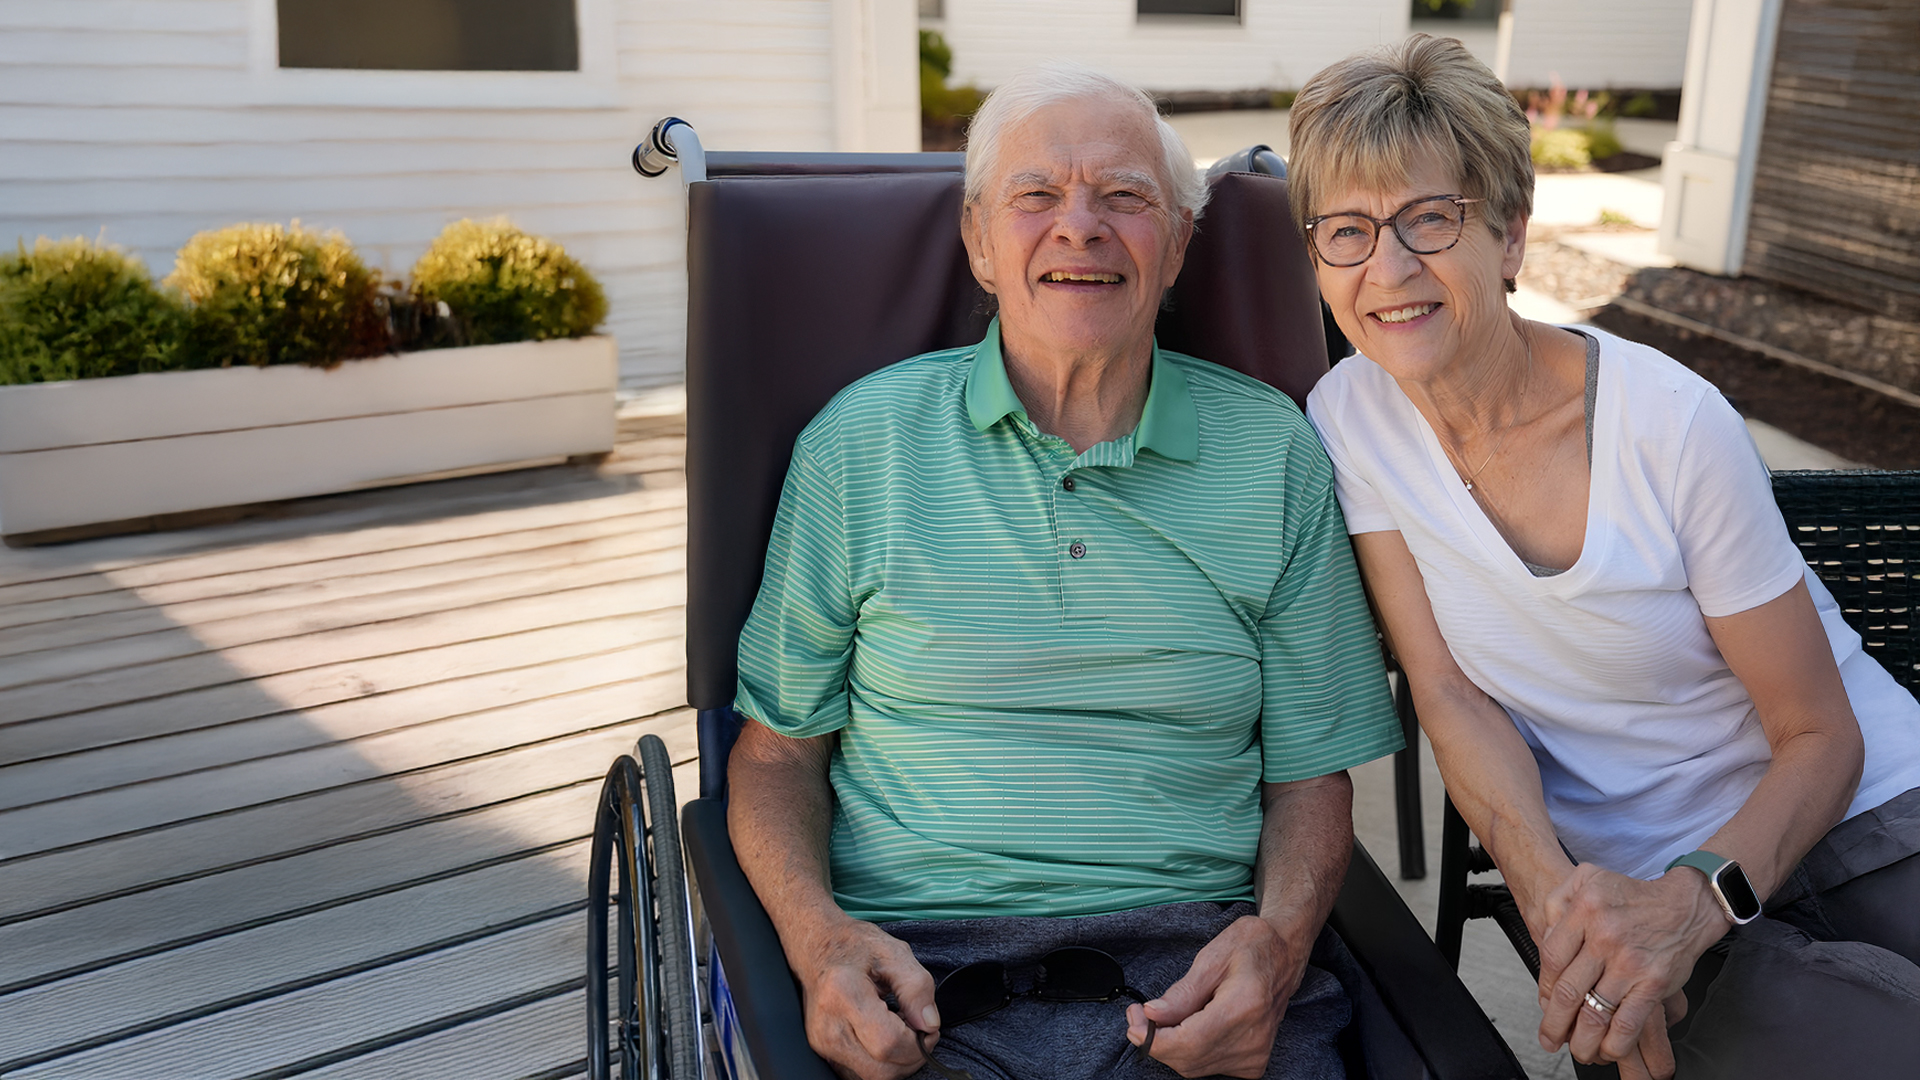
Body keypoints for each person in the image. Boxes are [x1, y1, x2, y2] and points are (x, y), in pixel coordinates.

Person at [725, 63, 1406, 1080]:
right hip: (916, 980)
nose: (1079, 226)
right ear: (979, 244)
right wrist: (818, 941)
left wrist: (1279, 941)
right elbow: (776, 758)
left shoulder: (1275, 454)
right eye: (1035, 195)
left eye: (1125, 197)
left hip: (1195, 975)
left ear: (1177, 245)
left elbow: (1312, 776)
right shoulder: (857, 448)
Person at [1292, 34, 1920, 1080]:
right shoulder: (1351, 418)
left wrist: (1692, 904)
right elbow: (1447, 693)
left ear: (1509, 237)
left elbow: (1820, 735)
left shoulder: (1670, 425)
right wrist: (1562, 914)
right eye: (1347, 232)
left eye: (1429, 219)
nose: (1388, 269)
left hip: (1864, 822)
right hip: (1631, 891)